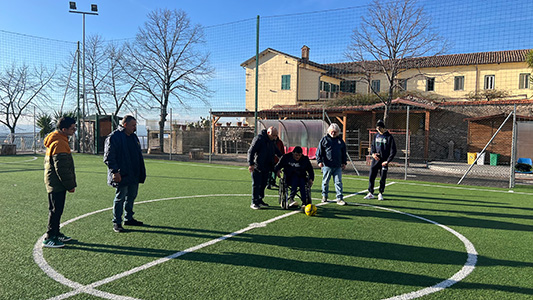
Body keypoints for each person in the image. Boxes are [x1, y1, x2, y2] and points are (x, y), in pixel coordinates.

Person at [104, 115, 147, 232]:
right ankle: (117, 222)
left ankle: (128, 218)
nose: (135, 127)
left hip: (133, 173)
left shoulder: (133, 137)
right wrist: (115, 172)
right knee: (120, 197)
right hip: (121, 174)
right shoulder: (114, 137)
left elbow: (138, 156)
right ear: (125, 125)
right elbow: (109, 157)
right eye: (133, 125)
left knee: (132, 196)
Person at [43, 117, 77, 248]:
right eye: (72, 128)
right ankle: (50, 237)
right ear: (64, 129)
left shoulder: (60, 139)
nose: (74, 130)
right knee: (55, 210)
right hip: (56, 183)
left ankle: (56, 233)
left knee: (57, 209)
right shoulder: (60, 143)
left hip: (55, 182)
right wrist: (70, 185)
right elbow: (61, 168)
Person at [247, 126, 282, 209]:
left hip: (267, 166)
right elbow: (251, 151)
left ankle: (260, 200)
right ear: (269, 133)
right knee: (256, 184)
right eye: (274, 135)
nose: (275, 137)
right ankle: (254, 202)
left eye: (276, 135)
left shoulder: (272, 142)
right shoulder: (259, 139)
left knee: (264, 184)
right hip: (257, 166)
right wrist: (251, 163)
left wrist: (284, 160)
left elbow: (278, 152)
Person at [364, 120, 397, 201]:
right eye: (377, 128)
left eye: (379, 128)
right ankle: (371, 193)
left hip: (384, 162)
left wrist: (388, 161)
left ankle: (380, 193)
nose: (378, 130)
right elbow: (372, 146)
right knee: (372, 176)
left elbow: (393, 150)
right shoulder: (376, 136)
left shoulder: (389, 137)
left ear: (383, 128)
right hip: (375, 160)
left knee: (383, 178)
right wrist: (373, 154)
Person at [316, 123, 347, 205]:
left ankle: (339, 198)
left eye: (335, 132)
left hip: (338, 166)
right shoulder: (324, 140)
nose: (333, 133)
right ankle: (324, 196)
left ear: (338, 132)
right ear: (329, 131)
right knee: (325, 182)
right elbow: (319, 151)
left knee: (338, 182)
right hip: (327, 165)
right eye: (332, 131)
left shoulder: (340, 141)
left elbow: (344, 152)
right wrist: (319, 161)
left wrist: (344, 162)